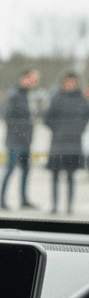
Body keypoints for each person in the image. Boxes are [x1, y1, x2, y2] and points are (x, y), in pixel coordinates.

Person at [43, 72, 89, 215]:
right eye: (68, 81)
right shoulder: (56, 97)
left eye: (73, 81)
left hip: (74, 143)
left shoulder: (82, 99)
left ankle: (69, 205)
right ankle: (55, 205)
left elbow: (87, 116)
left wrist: (79, 128)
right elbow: (46, 117)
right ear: (63, 82)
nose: (71, 84)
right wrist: (58, 129)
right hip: (58, 143)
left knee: (71, 176)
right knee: (55, 175)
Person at [0, 69, 38, 210]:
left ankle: (24, 200)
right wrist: (21, 131)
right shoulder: (14, 94)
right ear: (24, 78)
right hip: (15, 141)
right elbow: (7, 116)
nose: (34, 81)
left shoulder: (27, 94)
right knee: (10, 170)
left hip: (25, 141)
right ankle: (2, 201)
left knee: (26, 171)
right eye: (32, 78)